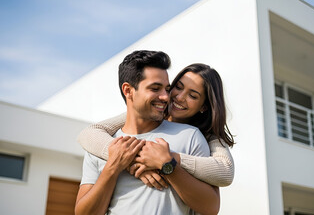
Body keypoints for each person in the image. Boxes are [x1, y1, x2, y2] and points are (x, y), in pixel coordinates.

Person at [75, 50, 220, 215]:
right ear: (128, 90)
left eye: (167, 88)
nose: (166, 97)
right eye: (155, 88)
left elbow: (211, 207)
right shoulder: (102, 145)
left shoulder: (190, 136)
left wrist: (169, 166)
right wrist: (113, 167)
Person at [78, 63, 235, 189]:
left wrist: (168, 159)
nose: (180, 97)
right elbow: (89, 133)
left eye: (192, 96)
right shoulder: (151, 115)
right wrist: (133, 160)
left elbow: (225, 172)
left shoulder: (205, 136)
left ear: (204, 107)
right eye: (178, 87)